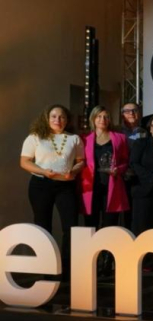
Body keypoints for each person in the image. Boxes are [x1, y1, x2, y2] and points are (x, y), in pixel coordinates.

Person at [20, 104, 84, 279]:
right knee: (43, 225)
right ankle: (45, 268)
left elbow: (81, 161)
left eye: (62, 117)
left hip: (66, 185)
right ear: (46, 118)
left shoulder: (74, 139)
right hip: (41, 184)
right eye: (54, 116)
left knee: (70, 226)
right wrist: (43, 171)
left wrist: (75, 171)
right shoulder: (35, 138)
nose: (58, 120)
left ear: (67, 119)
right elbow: (25, 162)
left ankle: (68, 268)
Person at [80, 106, 130, 229]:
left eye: (106, 117)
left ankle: (108, 249)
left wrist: (119, 169)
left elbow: (125, 161)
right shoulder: (84, 139)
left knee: (110, 226)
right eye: (99, 116)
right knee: (91, 225)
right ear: (93, 119)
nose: (103, 119)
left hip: (112, 186)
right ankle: (92, 249)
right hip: (91, 187)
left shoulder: (120, 138)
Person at [120, 102, 145, 230]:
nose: (131, 113)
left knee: (139, 214)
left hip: (140, 178)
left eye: (134, 110)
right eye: (127, 111)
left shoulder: (146, 131)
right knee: (123, 214)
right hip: (121, 178)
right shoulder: (116, 132)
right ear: (122, 114)